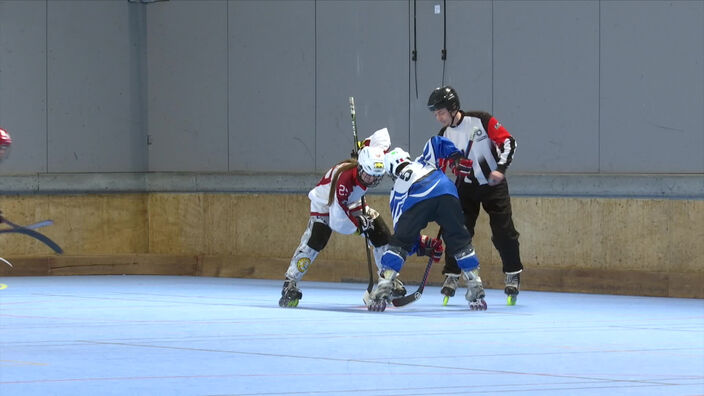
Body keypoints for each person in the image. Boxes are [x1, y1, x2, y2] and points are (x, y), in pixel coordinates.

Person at [279, 128, 406, 308]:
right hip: (326, 203)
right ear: (360, 167)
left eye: (375, 177)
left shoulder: (373, 161)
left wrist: (363, 146)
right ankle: (290, 282)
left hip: (352, 202)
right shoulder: (344, 180)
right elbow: (338, 219)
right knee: (317, 238)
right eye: (367, 174)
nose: (370, 180)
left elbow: (382, 137)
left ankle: (387, 279)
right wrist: (358, 226)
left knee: (380, 232)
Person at [365, 136, 487, 312]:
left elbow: (403, 234)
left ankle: (384, 286)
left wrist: (421, 247)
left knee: (399, 243)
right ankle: (475, 284)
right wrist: (455, 157)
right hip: (446, 192)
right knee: (459, 239)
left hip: (416, 200)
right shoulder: (424, 161)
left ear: (391, 171)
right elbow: (435, 141)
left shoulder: (397, 189)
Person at [427, 85, 523, 306]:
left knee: (503, 231)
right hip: (465, 188)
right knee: (457, 231)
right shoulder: (444, 135)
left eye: (440, 112)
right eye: (435, 113)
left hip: (492, 184)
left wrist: (500, 168)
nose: (438, 117)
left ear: (453, 108)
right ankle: (451, 274)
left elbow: (509, 142)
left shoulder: (480, 120)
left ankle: (512, 272)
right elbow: (438, 166)